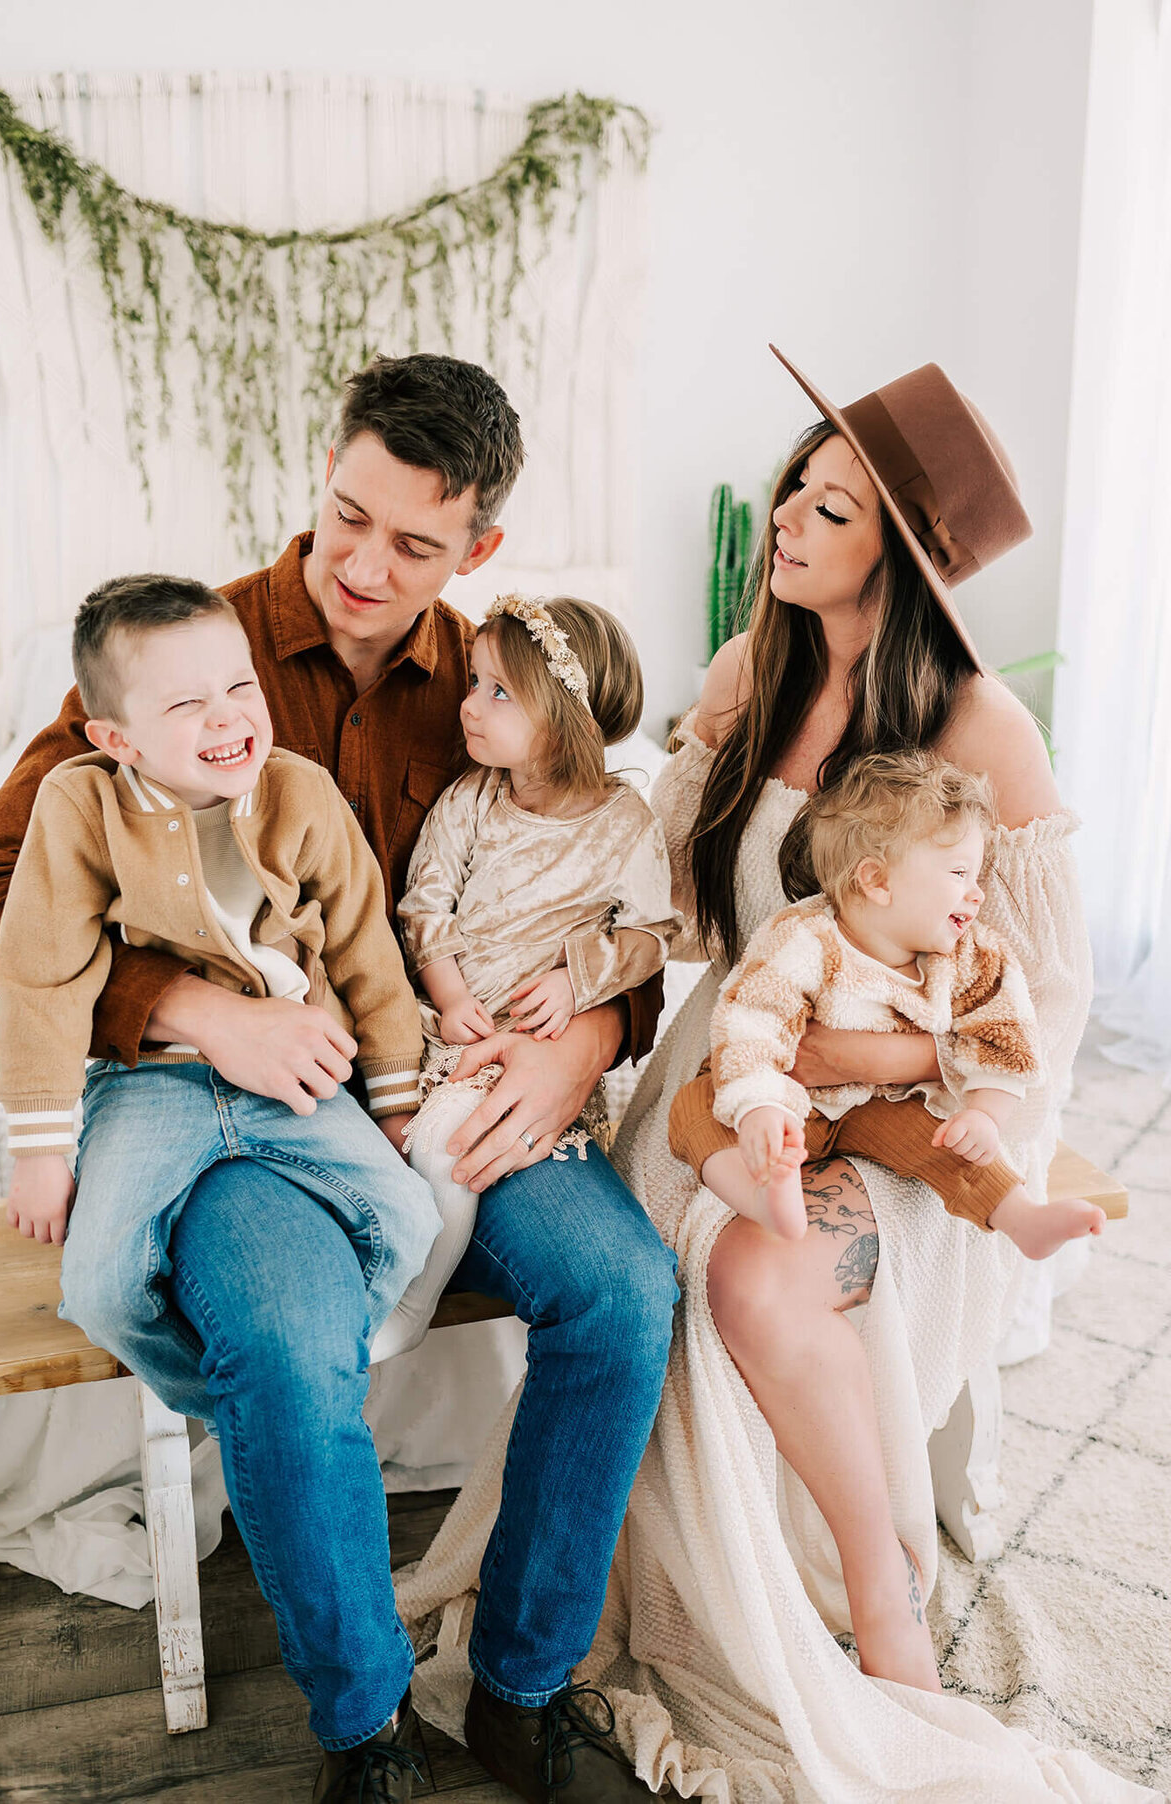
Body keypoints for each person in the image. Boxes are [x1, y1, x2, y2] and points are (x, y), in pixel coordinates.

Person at [395, 348, 1154, 1802]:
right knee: (665, 1242)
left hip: (920, 1092)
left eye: (834, 512)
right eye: (793, 494)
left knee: (750, 1267)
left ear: (910, 564)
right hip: (735, 1057)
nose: (789, 526)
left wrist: (907, 1082)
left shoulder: (980, 727)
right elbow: (670, 898)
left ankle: (883, 1591)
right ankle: (614, 1593)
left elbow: (1043, 993)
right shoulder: (758, 674)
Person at [0, 354, 678, 1804]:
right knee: (287, 1346)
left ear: (477, 549)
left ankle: (524, 1688)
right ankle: (365, 1726)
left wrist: (584, 1043)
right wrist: (182, 1011)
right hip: (248, 1118)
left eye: (415, 544)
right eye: (346, 515)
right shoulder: (186, 650)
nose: (362, 564)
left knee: (627, 1294)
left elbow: (609, 889)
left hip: (464, 1093)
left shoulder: (505, 682)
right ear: (327, 474)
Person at [0, 573, 441, 1379]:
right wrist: (41, 1151)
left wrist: (395, 1097)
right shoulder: (79, 805)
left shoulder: (299, 791)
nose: (229, 714)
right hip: (151, 1081)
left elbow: (364, 946)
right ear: (117, 739)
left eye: (240, 685)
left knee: (411, 1221)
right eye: (185, 705)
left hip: (302, 1074)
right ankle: (213, 1392)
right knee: (99, 1290)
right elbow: (42, 974)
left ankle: (340, 1357)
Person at [372, 592, 678, 1362]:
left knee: (450, 1145)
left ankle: (412, 1300)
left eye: (498, 692)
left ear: (566, 721)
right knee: (425, 1138)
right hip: (445, 1026)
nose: (470, 706)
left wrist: (579, 984)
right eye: (474, 682)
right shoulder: (473, 798)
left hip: (528, 1046)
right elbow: (424, 904)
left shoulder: (624, 823)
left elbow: (651, 934)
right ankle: (398, 1271)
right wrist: (449, 999)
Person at [668, 749, 1107, 1261]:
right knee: (693, 1108)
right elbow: (752, 1021)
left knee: (944, 1138)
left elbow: (1005, 1037)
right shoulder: (805, 939)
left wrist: (985, 1114)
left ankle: (1021, 1217)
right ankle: (763, 1190)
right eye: (959, 873)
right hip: (793, 1098)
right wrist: (761, 1107)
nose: (977, 893)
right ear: (876, 881)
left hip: (887, 1102)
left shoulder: (973, 957)